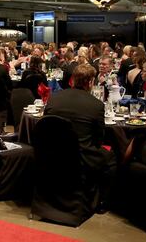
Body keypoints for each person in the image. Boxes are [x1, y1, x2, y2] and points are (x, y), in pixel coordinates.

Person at [44, 64, 115, 208]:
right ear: (90, 82)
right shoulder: (96, 105)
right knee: (111, 156)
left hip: (51, 153)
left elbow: (45, 127)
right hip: (82, 157)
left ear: (73, 79)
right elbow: (98, 139)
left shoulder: (54, 98)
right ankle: (102, 201)